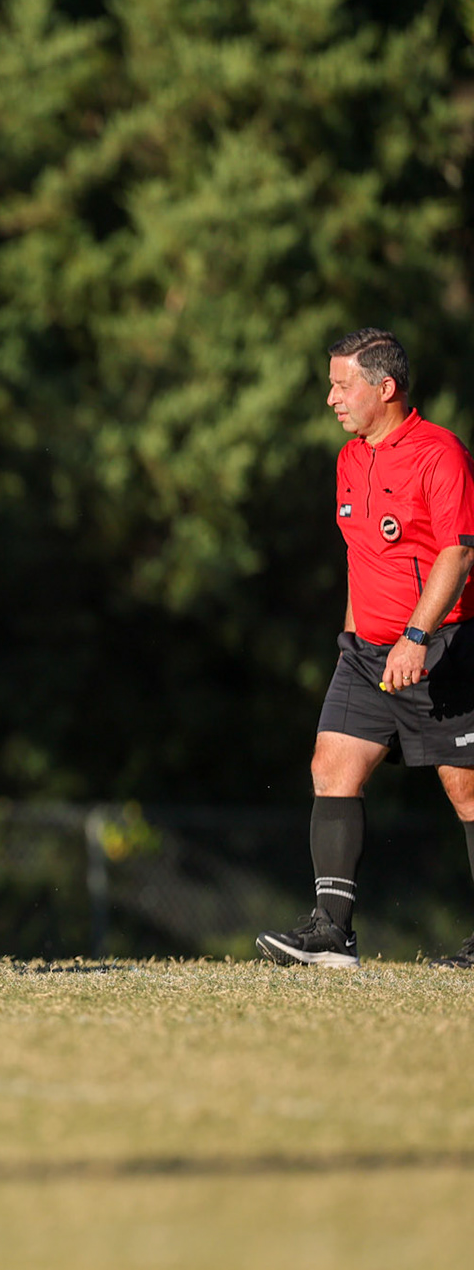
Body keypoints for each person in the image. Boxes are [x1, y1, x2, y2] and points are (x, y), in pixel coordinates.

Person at [256, 329, 474, 969]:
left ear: (386, 387)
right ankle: (332, 934)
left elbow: (458, 553)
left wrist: (416, 636)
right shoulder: (351, 459)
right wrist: (353, 641)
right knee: (331, 766)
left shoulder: (441, 454)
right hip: (367, 651)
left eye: (342, 384)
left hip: (442, 647)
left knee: (465, 789)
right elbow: (363, 558)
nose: (331, 398)